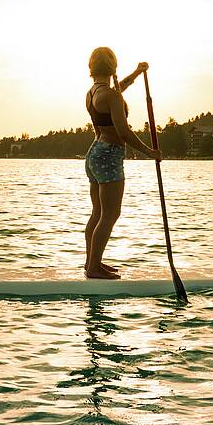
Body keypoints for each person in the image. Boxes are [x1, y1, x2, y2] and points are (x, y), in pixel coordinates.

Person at [84, 47, 161, 279]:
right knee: (110, 214)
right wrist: (150, 152)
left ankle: (91, 262)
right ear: (112, 67)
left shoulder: (94, 93)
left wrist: (137, 72)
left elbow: (120, 89)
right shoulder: (111, 96)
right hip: (109, 155)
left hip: (94, 154)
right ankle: (94, 267)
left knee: (98, 212)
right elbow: (124, 132)